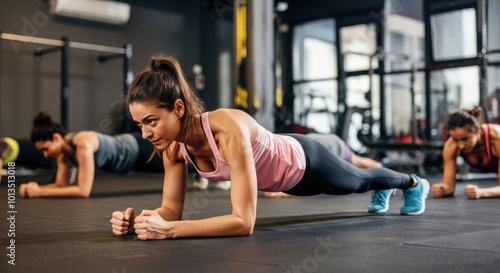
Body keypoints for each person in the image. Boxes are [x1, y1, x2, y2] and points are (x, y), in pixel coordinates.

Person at [110, 55, 430, 240]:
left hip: (305, 161)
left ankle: (414, 184)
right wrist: (142, 219)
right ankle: (387, 188)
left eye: (151, 121)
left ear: (178, 108)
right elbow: (171, 210)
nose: (146, 133)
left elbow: (243, 222)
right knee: (360, 184)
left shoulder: (227, 127)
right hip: (287, 185)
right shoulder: (173, 148)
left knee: (360, 181)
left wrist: (171, 231)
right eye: (140, 125)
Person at [18, 112, 164, 198]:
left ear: (56, 138)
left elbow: (83, 191)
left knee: (184, 163)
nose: (45, 155)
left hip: (139, 149)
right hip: (133, 163)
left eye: (45, 148)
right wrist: (36, 187)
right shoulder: (63, 154)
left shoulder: (82, 145)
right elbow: (61, 185)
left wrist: (40, 192)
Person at [263, 133, 382, 198]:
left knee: (357, 162)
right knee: (355, 166)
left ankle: (381, 169)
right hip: (323, 144)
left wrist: (282, 192)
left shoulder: (282, 154)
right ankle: (380, 171)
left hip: (333, 145)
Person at [431, 106, 500, 199]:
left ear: (477, 130)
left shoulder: (496, 139)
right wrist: (442, 189)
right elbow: (449, 186)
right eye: (455, 139)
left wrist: (481, 192)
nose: (461, 146)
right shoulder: (451, 145)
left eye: (465, 139)